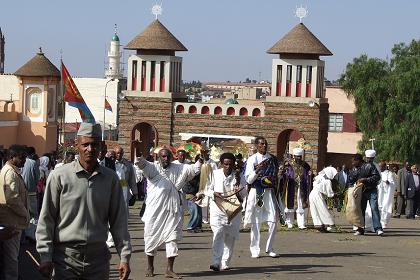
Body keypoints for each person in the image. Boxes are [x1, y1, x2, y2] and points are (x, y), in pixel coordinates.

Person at [36, 123, 131, 280]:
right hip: (65, 260)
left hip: (98, 261)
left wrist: (124, 257)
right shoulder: (60, 176)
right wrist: (45, 256)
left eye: (94, 145)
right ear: (76, 145)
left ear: (101, 146)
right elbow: (47, 219)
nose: (90, 149)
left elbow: (119, 222)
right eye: (85, 144)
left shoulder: (110, 179)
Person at [134, 144, 201, 279]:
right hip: (155, 211)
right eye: (163, 156)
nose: (166, 158)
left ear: (172, 157)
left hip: (173, 210)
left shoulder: (179, 168)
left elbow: (195, 169)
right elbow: (140, 163)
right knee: (151, 237)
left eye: (168, 156)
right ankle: (150, 266)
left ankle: (169, 269)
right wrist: (138, 150)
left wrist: (202, 157)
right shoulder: (153, 168)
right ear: (158, 158)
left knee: (173, 238)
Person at [203, 152, 247, 271]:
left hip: (233, 211)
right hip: (217, 209)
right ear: (221, 164)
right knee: (218, 234)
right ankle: (216, 262)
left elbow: (244, 195)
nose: (228, 167)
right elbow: (206, 190)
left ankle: (225, 262)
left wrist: (238, 192)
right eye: (225, 164)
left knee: (230, 238)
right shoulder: (215, 174)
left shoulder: (239, 176)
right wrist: (213, 193)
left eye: (230, 164)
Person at [243, 136, 280, 258]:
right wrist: (257, 171)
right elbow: (248, 179)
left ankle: (269, 248)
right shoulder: (252, 159)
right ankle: (254, 249)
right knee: (256, 221)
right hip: (257, 191)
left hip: (269, 192)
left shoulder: (272, 159)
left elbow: (275, 176)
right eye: (261, 144)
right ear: (257, 145)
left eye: (265, 144)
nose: (264, 146)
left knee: (274, 220)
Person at [0, 144, 29, 279]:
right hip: (12, 222)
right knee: (11, 258)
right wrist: (25, 213)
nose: (24, 161)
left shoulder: (12, 171)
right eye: (21, 158)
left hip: (12, 220)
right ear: (12, 157)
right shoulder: (10, 172)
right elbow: (12, 199)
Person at [348, 150, 382, 236]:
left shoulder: (369, 166)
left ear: (358, 160)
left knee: (374, 209)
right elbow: (350, 180)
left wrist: (365, 180)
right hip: (360, 192)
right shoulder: (354, 169)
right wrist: (352, 188)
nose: (352, 163)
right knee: (360, 210)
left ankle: (378, 228)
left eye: (353, 161)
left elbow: (377, 177)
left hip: (371, 191)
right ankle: (360, 229)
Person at [281, 147, 311, 229]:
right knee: (290, 204)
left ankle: (301, 223)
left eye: (299, 156)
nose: (298, 158)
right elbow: (285, 174)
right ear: (294, 156)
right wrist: (287, 176)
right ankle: (290, 222)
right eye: (296, 156)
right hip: (291, 187)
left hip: (301, 188)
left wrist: (309, 176)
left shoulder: (305, 165)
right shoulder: (289, 164)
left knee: (300, 205)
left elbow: (307, 175)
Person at [309, 166, 338, 232]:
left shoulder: (318, 177)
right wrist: (336, 196)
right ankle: (330, 225)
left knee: (315, 210)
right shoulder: (327, 181)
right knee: (323, 209)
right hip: (318, 195)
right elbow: (330, 194)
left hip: (312, 194)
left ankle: (319, 225)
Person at [21, 147, 40, 226]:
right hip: (31, 191)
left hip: (22, 191)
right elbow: (37, 177)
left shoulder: (21, 162)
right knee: (33, 214)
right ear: (33, 154)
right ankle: (32, 233)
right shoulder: (33, 163)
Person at [377, 161, 396, 228]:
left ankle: (383, 223)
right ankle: (376, 223)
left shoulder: (389, 174)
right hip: (378, 193)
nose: (380, 168)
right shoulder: (376, 173)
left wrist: (388, 183)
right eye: (379, 166)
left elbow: (393, 184)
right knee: (377, 208)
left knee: (385, 208)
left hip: (385, 194)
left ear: (385, 166)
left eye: (381, 166)